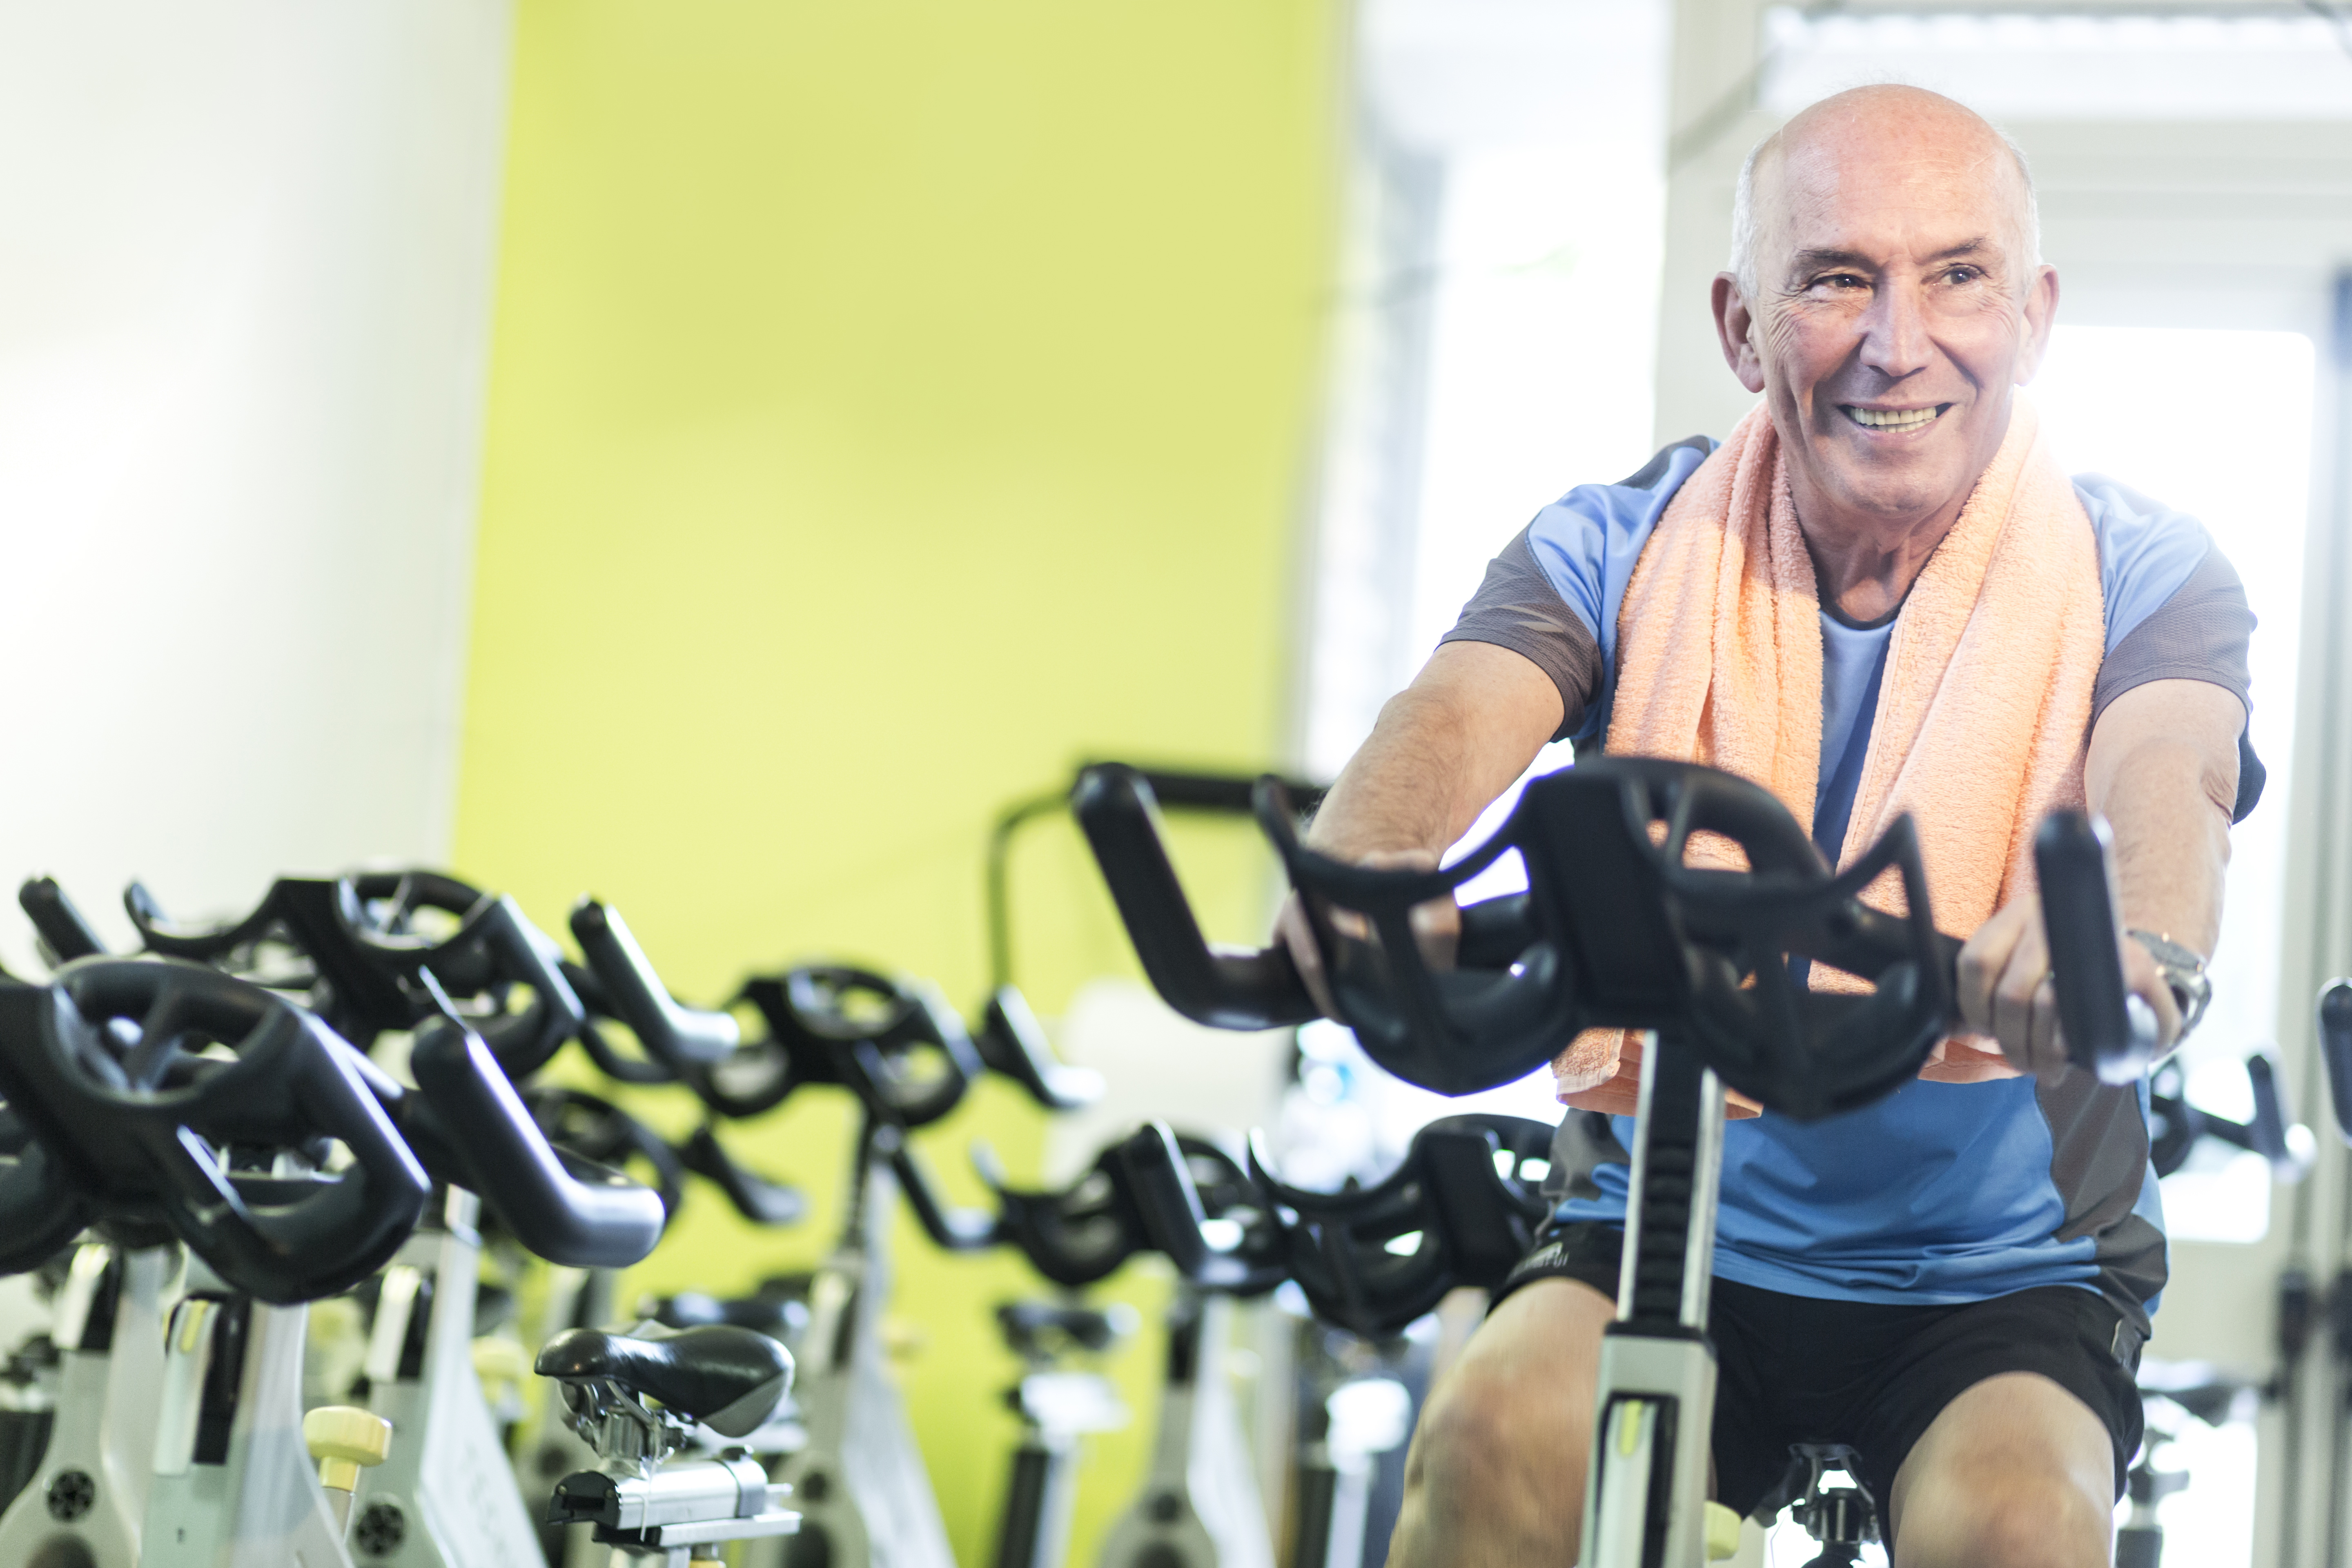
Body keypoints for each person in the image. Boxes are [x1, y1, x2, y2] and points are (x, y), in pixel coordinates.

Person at [1281, 85, 2261, 1567]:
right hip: (1662, 1224)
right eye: (1837, 277)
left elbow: (2172, 773)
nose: (1897, 339)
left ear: (2035, 312)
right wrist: (1368, 869)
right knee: (1493, 1440)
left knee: (2018, 1526)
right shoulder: (1620, 542)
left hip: (2001, 1273)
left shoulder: (2150, 568)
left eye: (1957, 273)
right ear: (1744, 328)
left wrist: (2135, 943)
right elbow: (1446, 721)